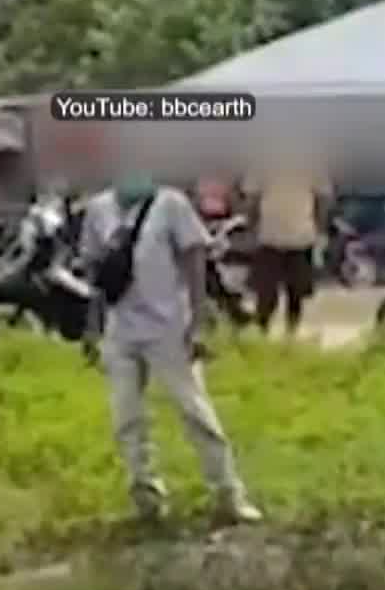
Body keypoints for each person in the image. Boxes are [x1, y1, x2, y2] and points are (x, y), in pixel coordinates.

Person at [78, 174, 260, 524]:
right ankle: (146, 497)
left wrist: (198, 320)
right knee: (127, 418)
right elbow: (95, 275)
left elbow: (195, 263)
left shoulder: (170, 205)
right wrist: (92, 327)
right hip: (121, 330)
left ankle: (228, 493)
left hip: (169, 328)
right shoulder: (98, 210)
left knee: (195, 411)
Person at [242, 155, 331, 337]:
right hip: (270, 237)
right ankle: (263, 333)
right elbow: (252, 200)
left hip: (300, 237)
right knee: (267, 293)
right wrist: (251, 228)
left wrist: (320, 229)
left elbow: (322, 198)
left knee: (295, 293)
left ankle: (290, 334)